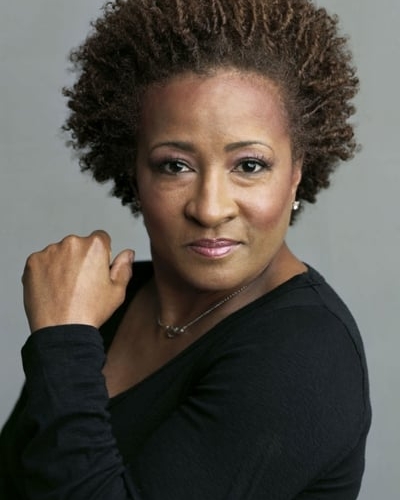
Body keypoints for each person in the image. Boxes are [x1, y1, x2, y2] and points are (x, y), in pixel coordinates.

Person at [0, 0, 371, 498]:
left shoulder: (306, 355)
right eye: (175, 166)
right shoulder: (103, 305)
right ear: (134, 171)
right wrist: (71, 334)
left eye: (250, 165)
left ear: (296, 172)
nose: (210, 208)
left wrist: (63, 343)